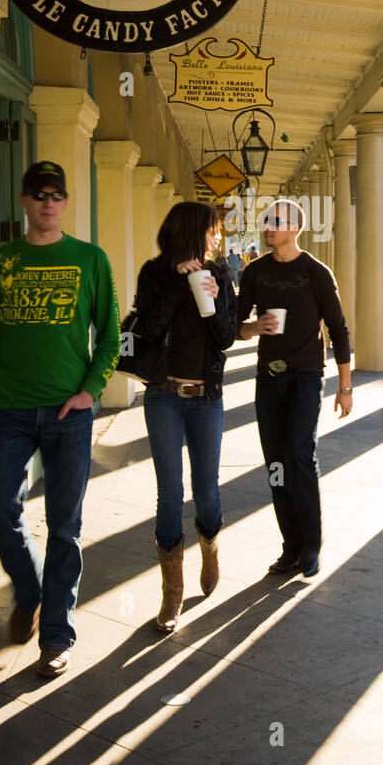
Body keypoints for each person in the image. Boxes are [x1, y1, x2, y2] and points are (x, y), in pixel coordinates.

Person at [0, 162, 120, 679]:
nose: (48, 202)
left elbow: (111, 338)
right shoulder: (0, 264)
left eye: (57, 194)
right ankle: (27, 590)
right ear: (24, 202)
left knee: (65, 528)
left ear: (65, 203)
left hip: (67, 415)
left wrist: (89, 391)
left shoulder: (90, 260)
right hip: (9, 410)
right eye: (39, 194)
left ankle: (56, 635)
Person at [134, 202, 237, 633]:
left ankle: (210, 546)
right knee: (169, 493)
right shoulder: (154, 273)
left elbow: (228, 338)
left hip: (205, 397)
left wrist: (212, 299)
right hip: (163, 395)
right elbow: (145, 331)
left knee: (208, 491)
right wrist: (179, 284)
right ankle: (172, 593)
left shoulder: (222, 274)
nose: (217, 237)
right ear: (195, 231)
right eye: (213, 230)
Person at [237, 199, 352, 578]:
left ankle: (311, 546)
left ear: (294, 228)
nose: (267, 226)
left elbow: (338, 329)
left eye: (275, 221)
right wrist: (256, 328)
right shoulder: (254, 273)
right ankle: (290, 547)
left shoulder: (316, 273)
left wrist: (345, 386)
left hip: (305, 376)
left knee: (299, 456)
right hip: (267, 378)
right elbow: (235, 327)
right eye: (264, 221)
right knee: (276, 463)